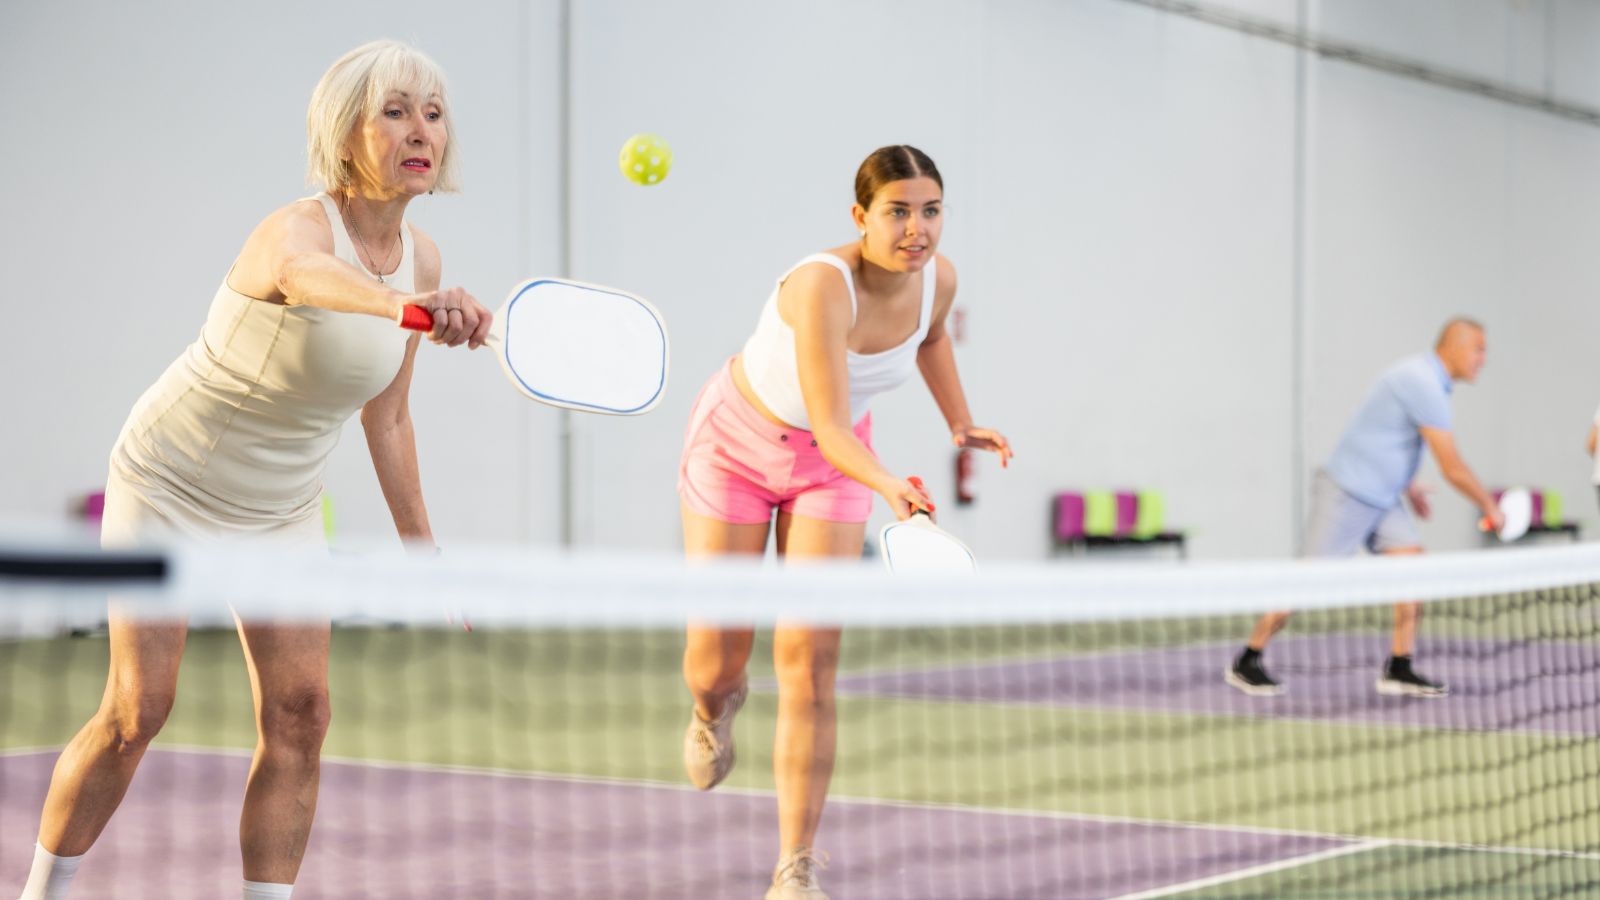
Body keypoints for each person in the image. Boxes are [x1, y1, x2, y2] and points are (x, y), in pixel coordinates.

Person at [15, 40, 490, 900]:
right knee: (136, 711)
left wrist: (426, 556)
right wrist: (403, 308)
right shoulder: (295, 229)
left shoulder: (424, 258)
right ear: (345, 135)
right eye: (394, 112)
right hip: (170, 482)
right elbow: (304, 279)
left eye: (433, 113)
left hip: (280, 511)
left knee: (302, 715)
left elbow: (387, 415)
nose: (421, 130)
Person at [675, 145, 1012, 900]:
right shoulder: (821, 284)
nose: (917, 229)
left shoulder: (939, 280)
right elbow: (827, 423)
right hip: (736, 448)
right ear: (861, 216)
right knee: (715, 660)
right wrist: (889, 483)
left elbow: (931, 339)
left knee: (810, 660)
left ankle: (794, 865)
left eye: (931, 211)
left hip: (833, 468)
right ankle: (711, 710)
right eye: (898, 212)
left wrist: (959, 423)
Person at [1226, 319, 1501, 700]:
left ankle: (1399, 666)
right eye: (1478, 349)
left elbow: (1384, 437)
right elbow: (1452, 467)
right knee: (1307, 581)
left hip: (1384, 498)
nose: (1482, 359)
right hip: (1348, 492)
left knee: (1414, 567)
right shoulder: (1422, 382)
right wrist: (1490, 506)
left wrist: (1409, 485)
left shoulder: (1426, 380)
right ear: (1453, 346)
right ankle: (1247, 659)